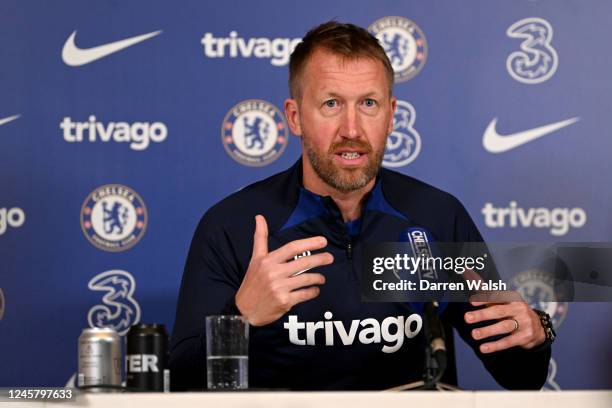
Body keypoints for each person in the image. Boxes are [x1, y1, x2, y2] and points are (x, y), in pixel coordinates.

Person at [170, 21, 552, 391]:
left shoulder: (437, 217)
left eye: (368, 103)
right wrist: (241, 317)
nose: (351, 129)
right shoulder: (234, 225)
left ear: (390, 115)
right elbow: (181, 380)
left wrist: (533, 334)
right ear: (294, 116)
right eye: (331, 103)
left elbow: (519, 375)